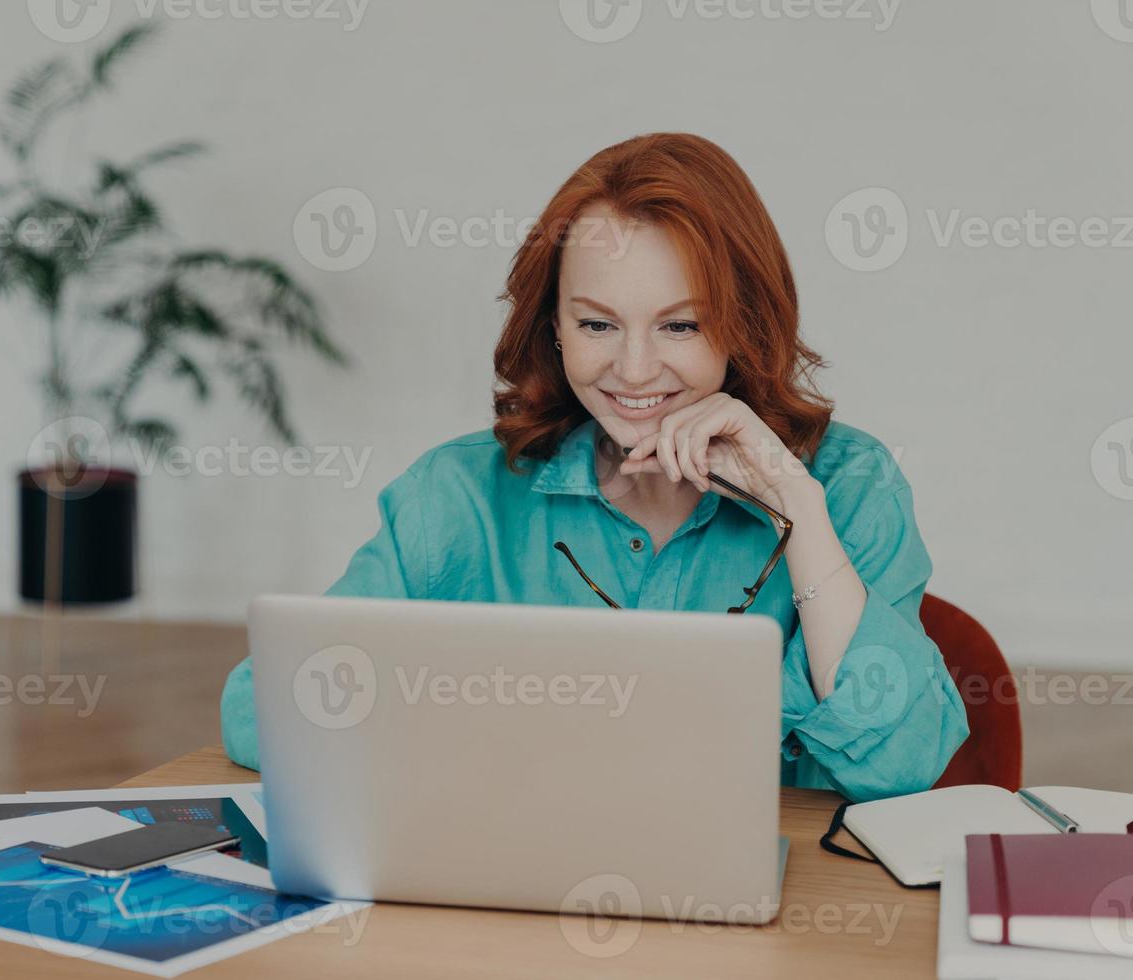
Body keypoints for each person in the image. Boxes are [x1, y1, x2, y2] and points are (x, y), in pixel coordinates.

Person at [220, 132, 968, 803]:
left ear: (743, 323)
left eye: (681, 324)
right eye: (597, 324)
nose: (634, 370)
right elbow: (264, 710)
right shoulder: (454, 499)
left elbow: (904, 758)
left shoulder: (852, 484)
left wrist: (797, 512)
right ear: (553, 325)